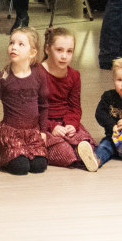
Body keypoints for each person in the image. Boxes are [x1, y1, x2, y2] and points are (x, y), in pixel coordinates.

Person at [0, 27, 48, 175]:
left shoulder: (39, 74)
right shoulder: (2, 78)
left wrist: (43, 131)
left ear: (32, 53)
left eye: (20, 44)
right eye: (11, 43)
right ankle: (7, 153)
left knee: (39, 166)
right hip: (11, 133)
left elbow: (43, 105)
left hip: (32, 132)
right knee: (21, 167)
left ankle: (26, 152)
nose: (14, 47)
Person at [41, 27, 100, 171]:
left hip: (64, 121)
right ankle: (76, 158)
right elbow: (32, 109)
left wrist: (71, 124)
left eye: (69, 51)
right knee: (63, 151)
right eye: (59, 50)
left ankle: (83, 156)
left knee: (85, 141)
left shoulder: (74, 75)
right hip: (43, 123)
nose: (64, 56)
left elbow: (74, 107)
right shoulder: (37, 73)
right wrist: (52, 127)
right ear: (47, 49)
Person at [94, 57, 122, 167]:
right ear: (113, 80)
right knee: (104, 146)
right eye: (120, 80)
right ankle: (96, 160)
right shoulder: (108, 97)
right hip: (112, 139)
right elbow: (100, 114)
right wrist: (112, 126)